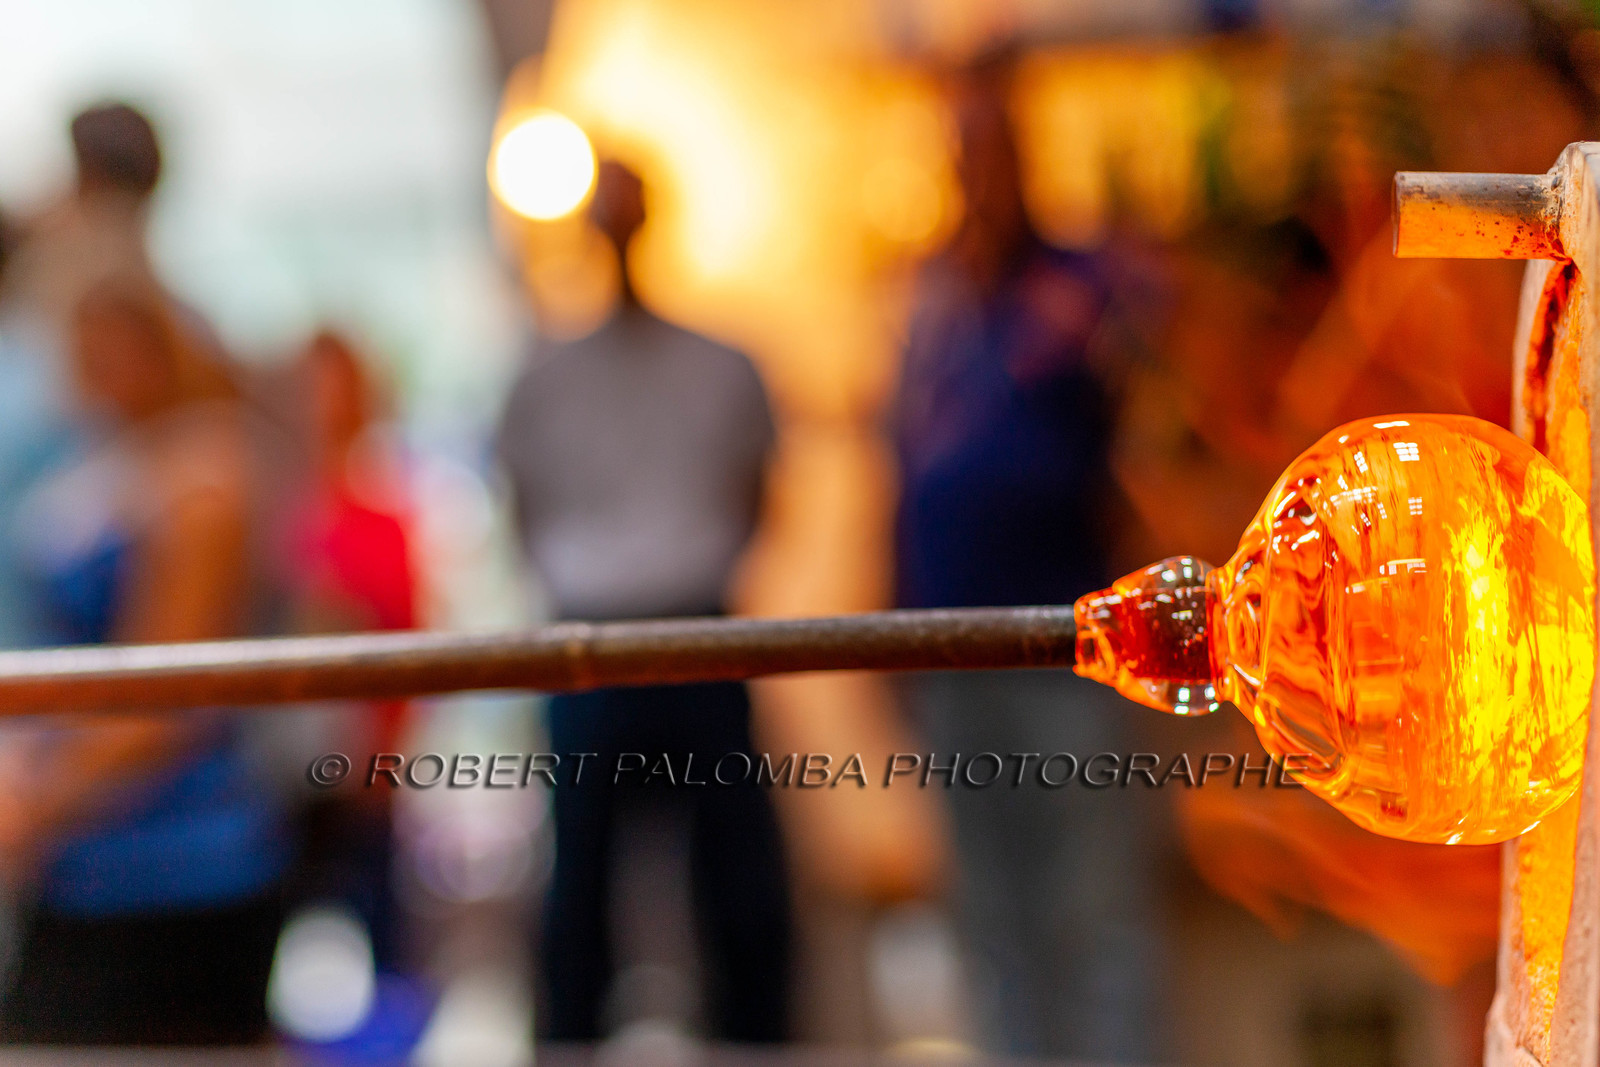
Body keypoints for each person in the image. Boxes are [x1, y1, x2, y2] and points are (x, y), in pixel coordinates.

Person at [891, 53, 1164, 1061]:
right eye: (959, 154)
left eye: (990, 151)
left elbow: (1138, 443)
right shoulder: (932, 306)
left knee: (1093, 907)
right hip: (950, 648)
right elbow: (903, 469)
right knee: (988, 912)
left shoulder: (1080, 288)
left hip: (1067, 642)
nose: (974, 174)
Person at [495, 160, 791, 1042]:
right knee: (577, 886)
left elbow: (756, 492)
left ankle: (756, 1046)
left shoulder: (721, 361)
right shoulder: (544, 374)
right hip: (590, 639)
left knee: (739, 882)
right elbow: (524, 501)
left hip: (696, 629)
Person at [0, 281, 289, 1045]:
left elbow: (167, 702)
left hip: (175, 849)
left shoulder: (206, 472)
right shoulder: (104, 461)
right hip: (87, 836)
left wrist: (35, 802)